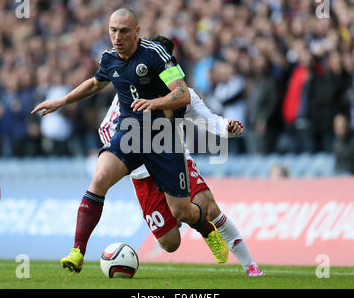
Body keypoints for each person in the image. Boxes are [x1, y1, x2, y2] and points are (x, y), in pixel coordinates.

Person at [31, 8, 228, 273]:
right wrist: (63, 101)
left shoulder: (156, 55)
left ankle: (206, 229)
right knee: (100, 178)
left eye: (124, 30)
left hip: (162, 139)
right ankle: (77, 251)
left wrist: (153, 102)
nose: (117, 36)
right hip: (130, 135)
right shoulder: (109, 58)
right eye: (113, 30)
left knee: (182, 212)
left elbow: (181, 94)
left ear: (137, 31)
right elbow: (95, 83)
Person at [98, 35, 264, 277]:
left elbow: (212, 121)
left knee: (208, 205)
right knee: (170, 242)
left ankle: (250, 266)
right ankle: (185, 218)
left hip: (173, 158)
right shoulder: (129, 91)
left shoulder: (184, 95)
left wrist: (228, 126)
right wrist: (122, 155)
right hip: (142, 172)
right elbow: (106, 128)